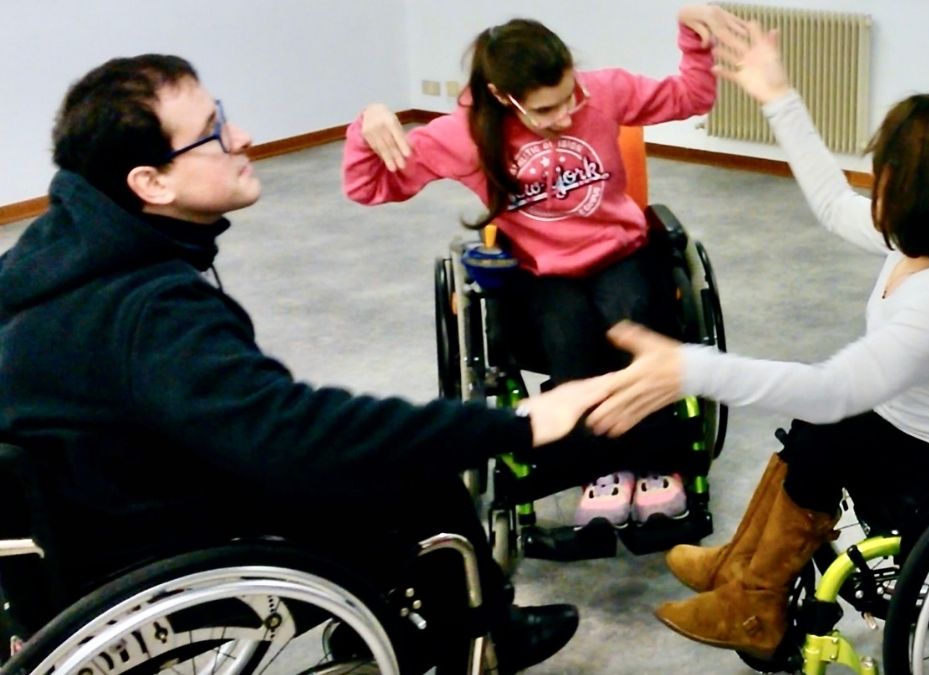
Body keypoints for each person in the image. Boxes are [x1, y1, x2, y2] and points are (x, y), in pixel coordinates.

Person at [0, 54, 614, 673]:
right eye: (214, 133)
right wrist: (517, 424)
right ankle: (481, 633)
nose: (242, 138)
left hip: (82, 512)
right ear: (151, 183)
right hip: (140, 539)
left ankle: (415, 613)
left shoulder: (49, 254)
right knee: (405, 463)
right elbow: (292, 435)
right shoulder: (151, 311)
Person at [586, 19, 929, 660]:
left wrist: (691, 367)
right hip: (909, 422)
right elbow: (829, 201)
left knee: (827, 417)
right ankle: (744, 571)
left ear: (923, 192)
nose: (879, 183)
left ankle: (753, 600)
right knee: (820, 424)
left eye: (889, 172)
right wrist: (776, 95)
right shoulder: (926, 240)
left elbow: (833, 389)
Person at [342, 6, 741, 535]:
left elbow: (692, 97)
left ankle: (653, 462)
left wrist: (693, 35)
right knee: (570, 338)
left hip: (620, 250)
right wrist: (368, 122)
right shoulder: (467, 135)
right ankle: (602, 470)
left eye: (569, 96)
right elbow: (369, 187)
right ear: (505, 99)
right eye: (547, 109)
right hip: (544, 271)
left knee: (635, 322)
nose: (565, 113)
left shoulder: (605, 91)